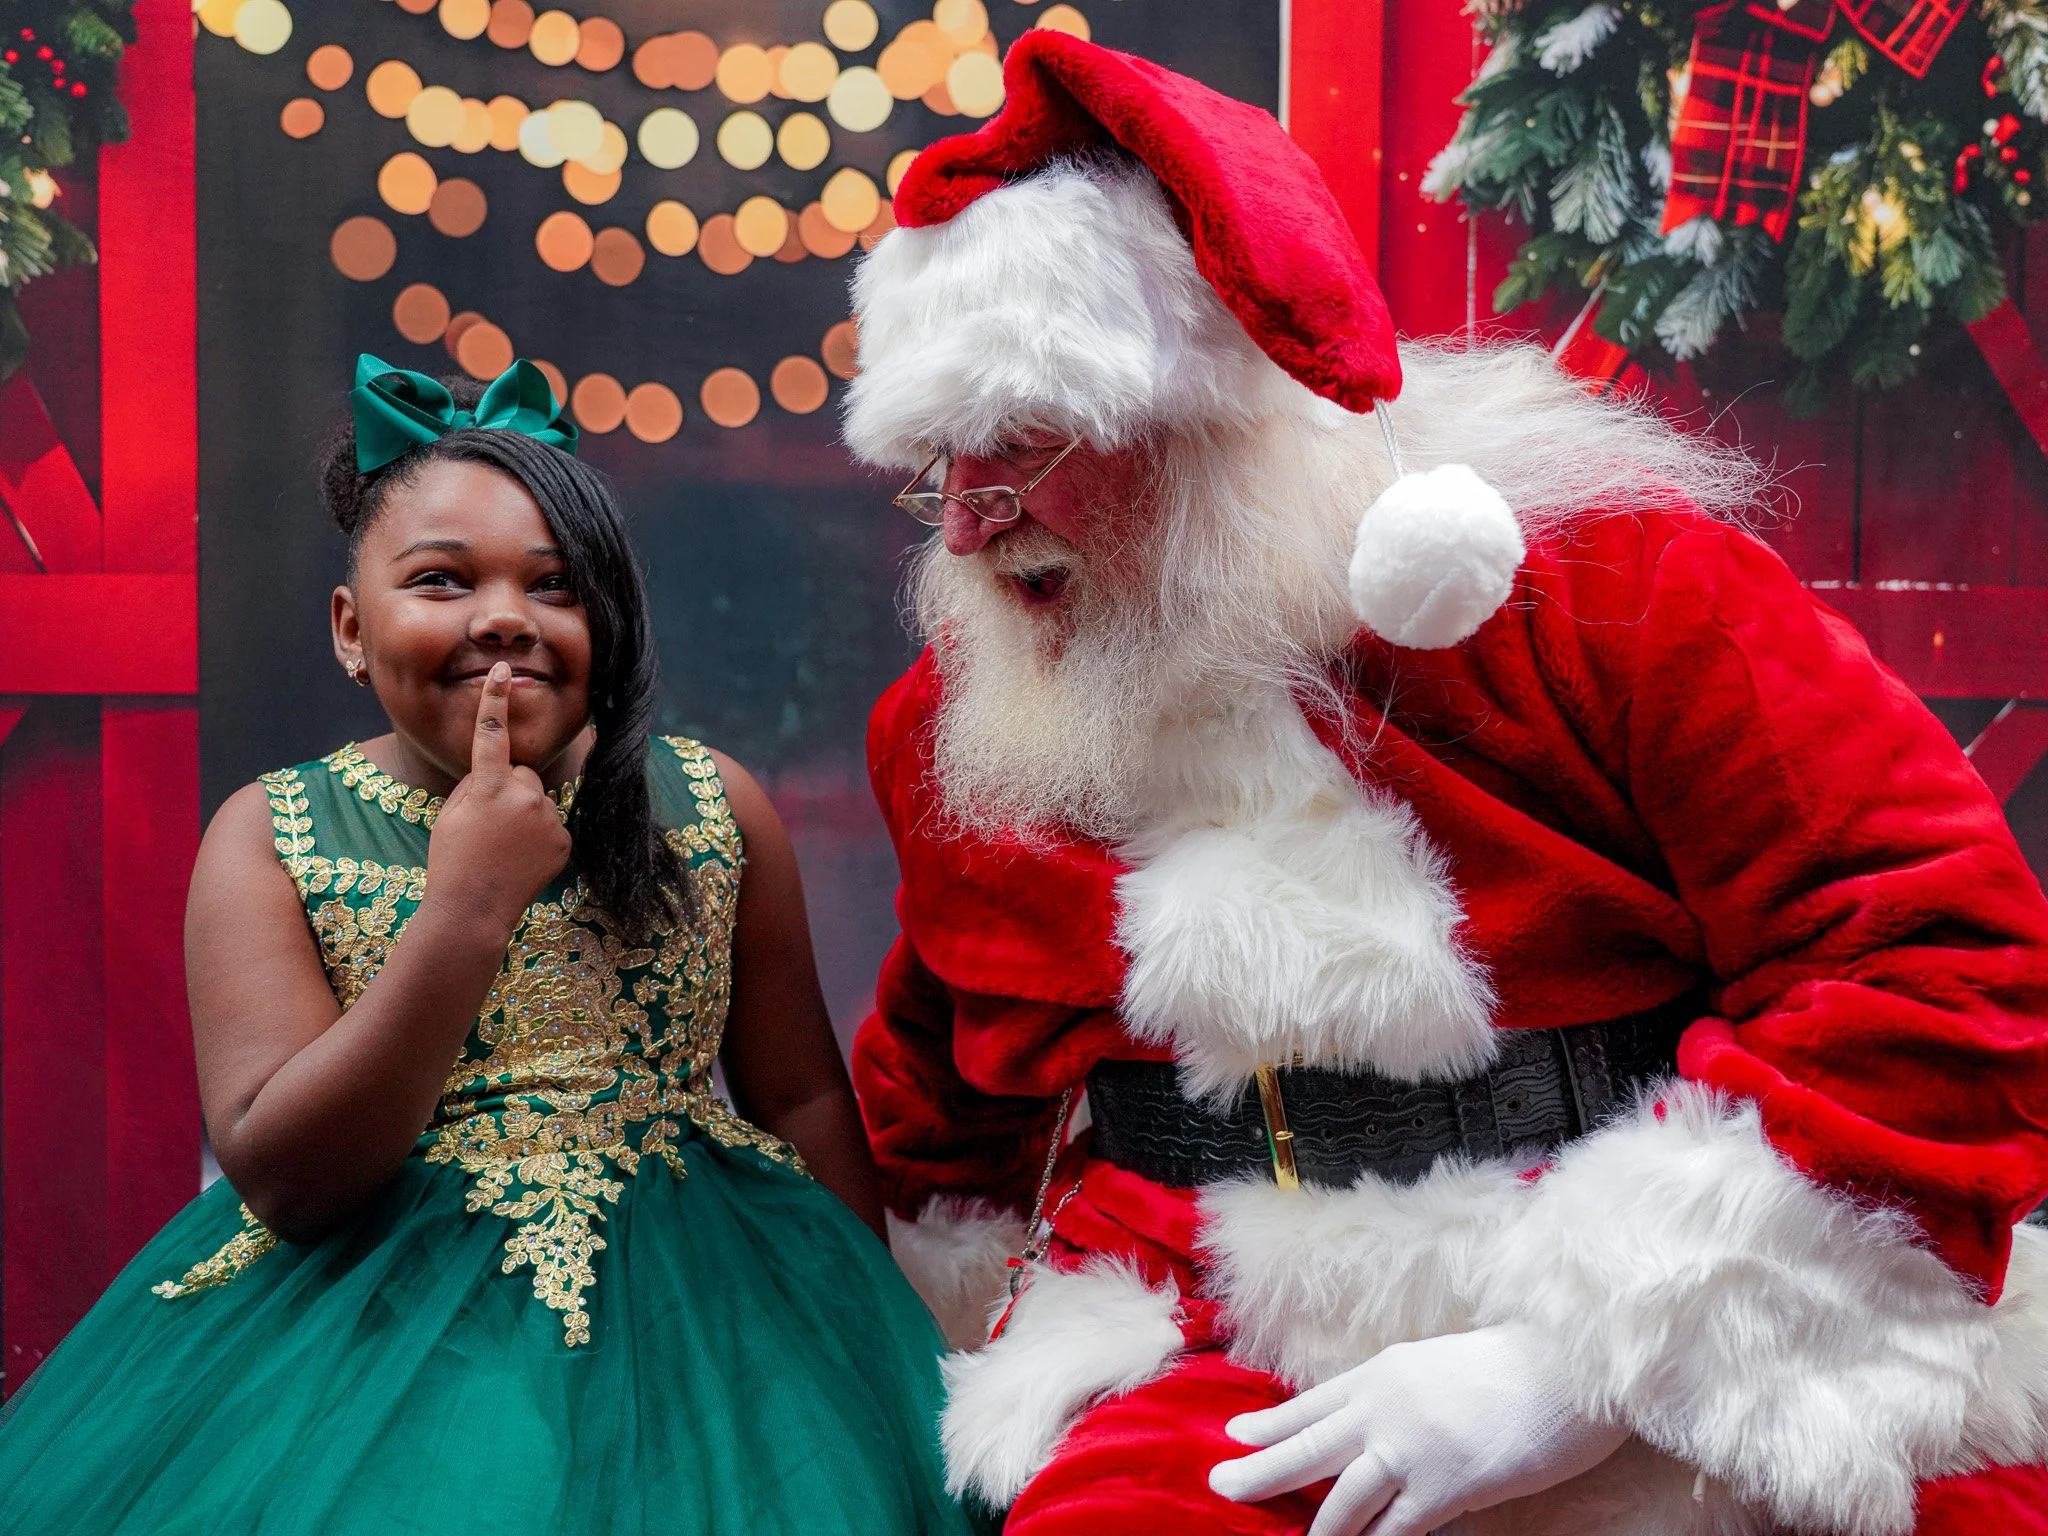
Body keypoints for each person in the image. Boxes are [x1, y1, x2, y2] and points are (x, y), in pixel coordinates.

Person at [844, 30, 2048, 1536]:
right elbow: (937, 1103)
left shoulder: (1608, 587)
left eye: (1017, 447)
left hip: (1664, 1295)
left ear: (1219, 420)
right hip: (1194, 1337)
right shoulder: (975, 726)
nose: (964, 529)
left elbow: (1935, 956)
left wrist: (1583, 1366)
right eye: (933, 468)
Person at [0, 356, 974, 1536]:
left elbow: (803, 1089)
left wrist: (860, 1321)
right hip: (373, 1333)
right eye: (442, 579)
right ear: (353, 630)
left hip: (707, 1317)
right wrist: (463, 912)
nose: (504, 615)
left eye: (555, 585)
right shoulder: (270, 833)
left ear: (610, 623)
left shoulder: (715, 807)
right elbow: (285, 1175)